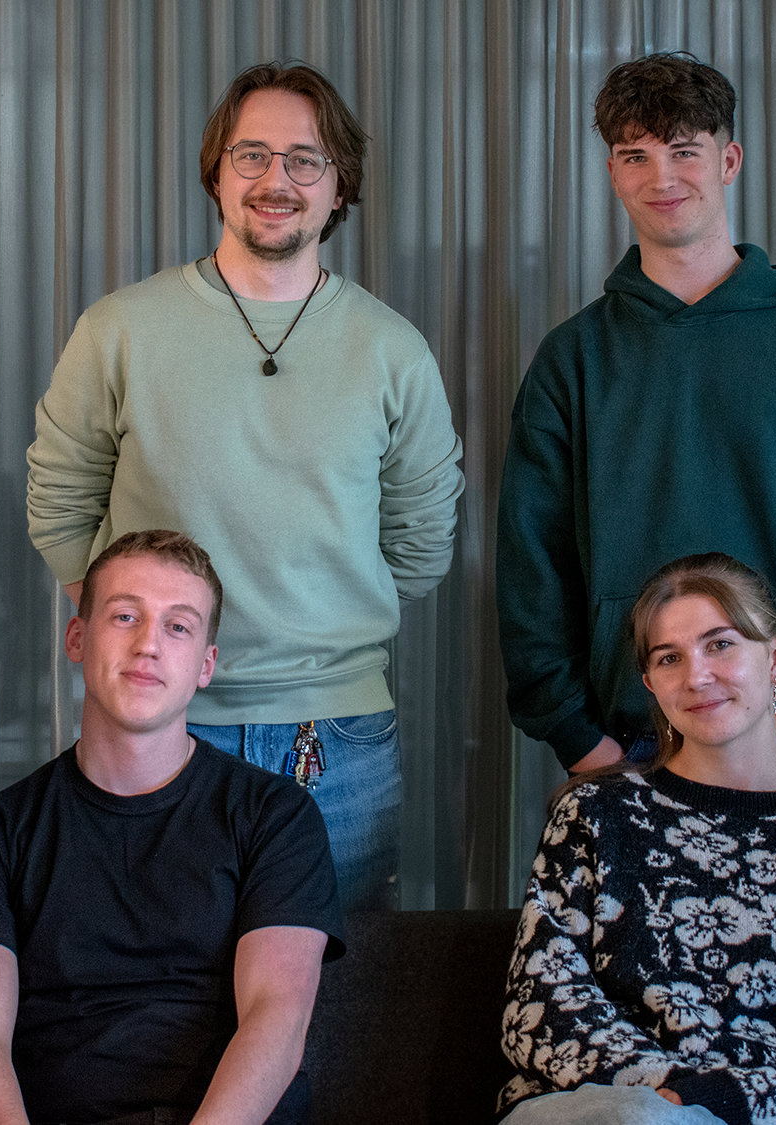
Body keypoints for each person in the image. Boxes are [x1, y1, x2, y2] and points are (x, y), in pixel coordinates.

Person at [25, 61, 465, 910]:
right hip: (160, 718)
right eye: (252, 154)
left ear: (340, 187)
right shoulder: (120, 330)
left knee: (342, 1006)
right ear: (217, 172)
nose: (277, 180)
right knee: (150, 999)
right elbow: (61, 494)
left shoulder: (392, 350)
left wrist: (323, 614)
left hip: (336, 735)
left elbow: (421, 537)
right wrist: (131, 623)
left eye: (306, 159)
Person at [497, 51, 776, 779]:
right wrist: (581, 741)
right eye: (635, 156)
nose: (661, 179)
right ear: (612, 174)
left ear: (727, 161)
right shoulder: (574, 359)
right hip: (625, 749)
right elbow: (531, 569)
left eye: (684, 151)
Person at [498, 553, 776, 1125]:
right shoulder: (594, 815)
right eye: (669, 658)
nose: (696, 676)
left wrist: (734, 1102)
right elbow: (540, 1006)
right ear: (651, 684)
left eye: (720, 644)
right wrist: (673, 1097)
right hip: (600, 1111)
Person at [0, 530, 343, 1125]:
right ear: (77, 636)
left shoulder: (276, 818)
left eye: (178, 626)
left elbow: (276, 1016)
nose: (149, 644)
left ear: (205, 665)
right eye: (125, 616)